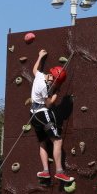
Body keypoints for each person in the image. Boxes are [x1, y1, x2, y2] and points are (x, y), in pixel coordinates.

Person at [30, 48, 73, 183]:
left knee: (42, 142)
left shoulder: (40, 76)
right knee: (57, 140)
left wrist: (40, 56)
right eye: (54, 82)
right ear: (52, 77)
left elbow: (34, 70)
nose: (52, 84)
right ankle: (59, 171)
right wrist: (55, 94)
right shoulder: (44, 86)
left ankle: (45, 171)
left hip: (33, 115)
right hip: (42, 114)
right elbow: (49, 104)